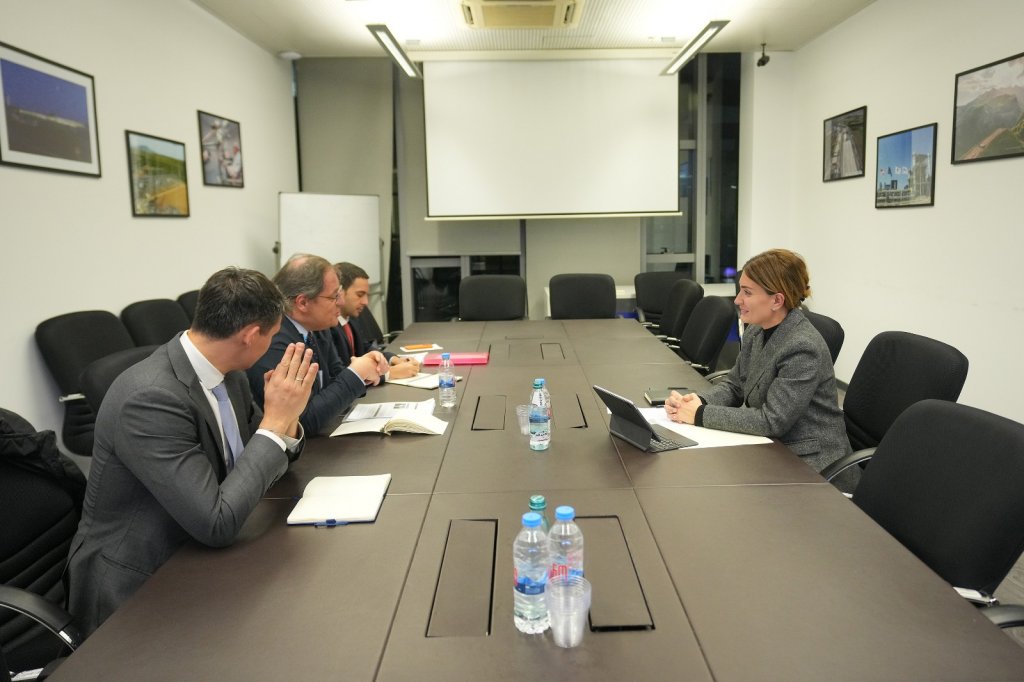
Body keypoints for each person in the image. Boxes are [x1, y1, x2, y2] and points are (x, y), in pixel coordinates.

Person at [67, 267, 316, 636]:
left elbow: (261, 452)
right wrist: (275, 422)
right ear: (250, 335)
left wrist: (286, 419)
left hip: (202, 547)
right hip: (142, 583)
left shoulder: (228, 371)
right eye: (273, 335)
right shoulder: (149, 399)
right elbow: (215, 523)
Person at [664, 249, 851, 474]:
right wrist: (698, 401)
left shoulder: (803, 347)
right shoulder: (757, 330)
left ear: (777, 300)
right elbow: (735, 385)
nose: (737, 300)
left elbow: (772, 421)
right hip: (771, 446)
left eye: (747, 292)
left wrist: (699, 414)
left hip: (810, 463)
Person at [247, 254, 389, 435]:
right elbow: (302, 421)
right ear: (303, 302)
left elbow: (336, 377)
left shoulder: (318, 328)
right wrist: (356, 373)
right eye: (334, 296)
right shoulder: (274, 340)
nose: (341, 302)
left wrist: (364, 372)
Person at [329, 261, 420, 380]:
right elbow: (340, 375)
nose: (365, 302)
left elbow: (365, 349)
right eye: (360, 295)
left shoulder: (352, 319)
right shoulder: (327, 328)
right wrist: (390, 373)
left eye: (367, 295)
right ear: (340, 293)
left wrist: (394, 360)